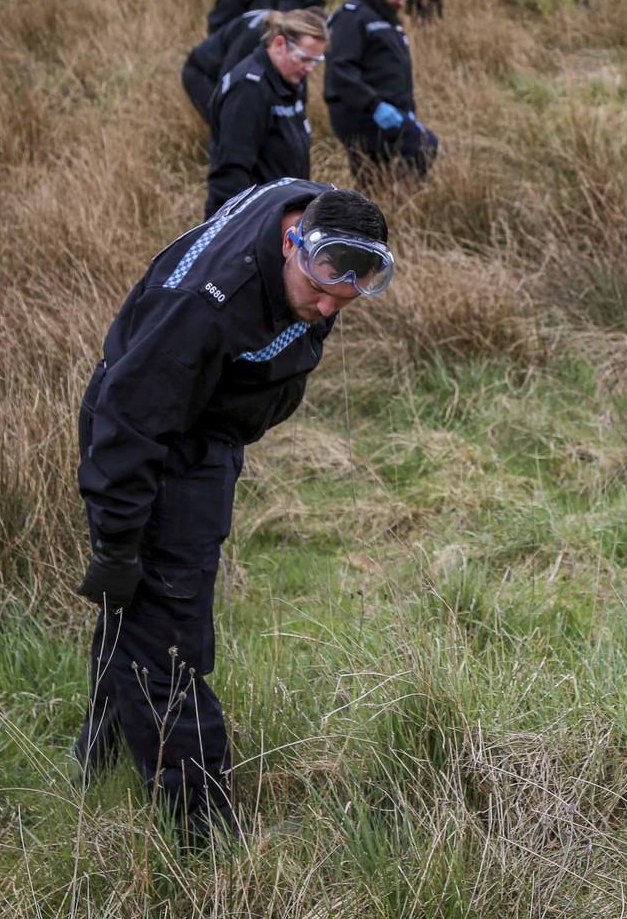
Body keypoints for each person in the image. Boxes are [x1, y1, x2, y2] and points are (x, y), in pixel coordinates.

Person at [74, 179, 393, 842]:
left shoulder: (314, 214)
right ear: (291, 242)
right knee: (169, 641)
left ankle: (97, 761)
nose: (329, 305)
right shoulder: (201, 305)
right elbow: (127, 422)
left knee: (139, 617)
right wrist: (118, 543)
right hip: (155, 446)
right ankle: (203, 835)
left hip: (207, 432)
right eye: (318, 285)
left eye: (348, 294)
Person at [205, 9, 328, 219]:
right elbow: (231, 172)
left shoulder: (288, 80)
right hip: (252, 220)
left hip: (280, 213)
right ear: (279, 44)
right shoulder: (249, 90)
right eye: (304, 59)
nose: (309, 69)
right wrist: (241, 226)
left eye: (316, 61)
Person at [323, 0, 438, 184]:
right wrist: (374, 106)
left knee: (373, 178)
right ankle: (399, 202)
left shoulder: (386, 18)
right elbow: (341, 69)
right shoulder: (351, 17)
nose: (402, 3)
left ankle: (383, 206)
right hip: (363, 114)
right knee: (423, 144)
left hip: (392, 113)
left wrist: (407, 108)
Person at [181, 9, 269, 124]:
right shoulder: (252, 36)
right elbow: (228, 79)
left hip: (227, 67)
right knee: (230, 122)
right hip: (203, 73)